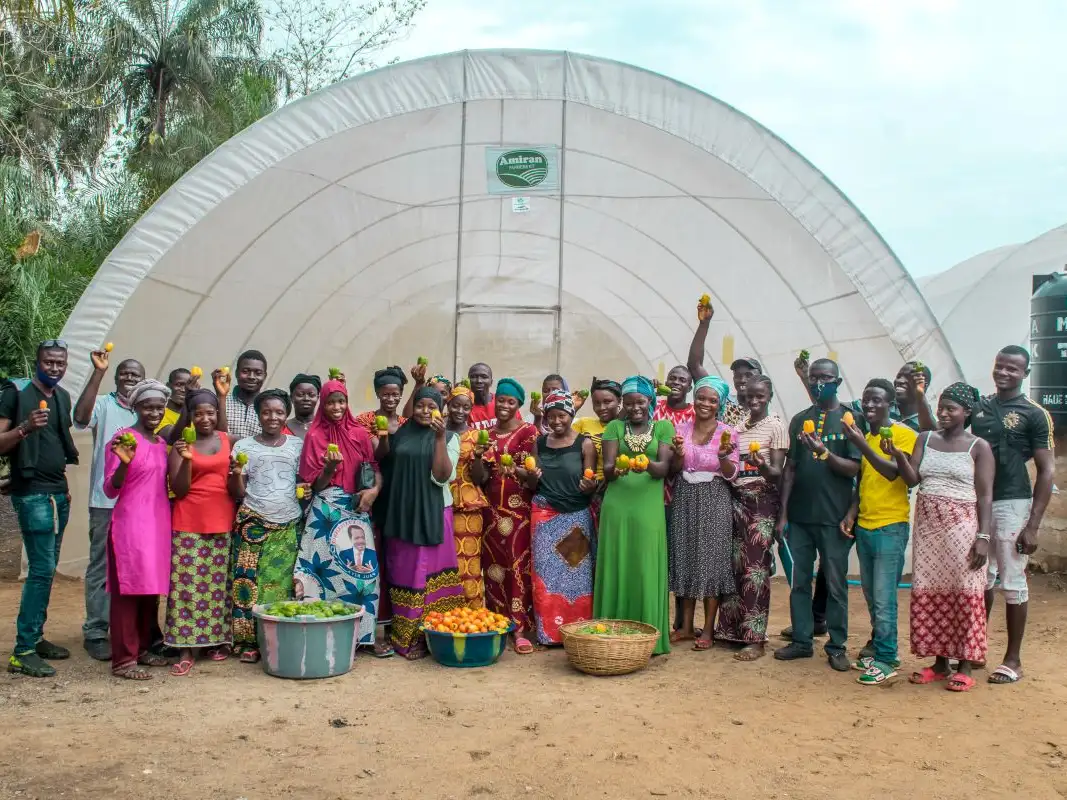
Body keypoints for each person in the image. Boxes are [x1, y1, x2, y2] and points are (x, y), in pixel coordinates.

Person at [889, 382, 993, 692]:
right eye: (941, 407)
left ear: (967, 412)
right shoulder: (926, 439)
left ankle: (964, 664)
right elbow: (912, 479)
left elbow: (985, 495)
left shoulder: (979, 447)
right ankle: (939, 663)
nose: (944, 413)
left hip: (962, 525)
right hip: (928, 526)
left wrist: (983, 536)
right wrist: (898, 456)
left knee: (964, 589)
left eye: (951, 409)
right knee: (931, 589)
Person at [971, 345, 1055, 685]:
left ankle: (1013, 660)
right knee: (981, 577)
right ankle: (976, 648)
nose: (1004, 373)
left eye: (1013, 369)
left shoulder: (1034, 413)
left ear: (1025, 374)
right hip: (979, 502)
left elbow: (1047, 471)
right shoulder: (980, 408)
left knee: (1012, 579)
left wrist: (1032, 526)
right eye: (1000, 366)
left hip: (1013, 503)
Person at [774, 358, 860, 672]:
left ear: (838, 381)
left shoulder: (851, 419)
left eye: (825, 377)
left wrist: (825, 452)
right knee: (799, 581)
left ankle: (836, 646)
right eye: (814, 377)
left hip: (835, 517)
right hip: (799, 517)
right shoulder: (799, 420)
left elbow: (856, 468)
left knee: (836, 584)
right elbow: (790, 469)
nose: (819, 382)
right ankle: (801, 640)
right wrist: (782, 514)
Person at [0, 341, 79, 678]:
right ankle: (23, 650)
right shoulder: (15, 393)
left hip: (57, 494)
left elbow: (59, 444)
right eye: (49, 361)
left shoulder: (61, 397)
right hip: (32, 494)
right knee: (42, 570)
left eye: (60, 362)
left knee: (46, 570)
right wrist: (26, 427)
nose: (55, 368)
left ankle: (36, 636)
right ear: (37, 362)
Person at [294, 379, 390, 656]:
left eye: (341, 401)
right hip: (326, 509)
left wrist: (373, 491)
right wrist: (329, 469)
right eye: (331, 402)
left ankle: (365, 636)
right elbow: (315, 485)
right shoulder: (315, 437)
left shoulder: (359, 433)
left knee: (364, 574)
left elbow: (373, 468)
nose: (336, 407)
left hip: (357, 508)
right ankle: (316, 632)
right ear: (322, 405)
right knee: (321, 572)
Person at [840, 379, 919, 685]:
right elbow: (863, 481)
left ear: (891, 404)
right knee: (873, 596)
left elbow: (891, 474)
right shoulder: (868, 436)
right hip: (866, 525)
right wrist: (851, 514)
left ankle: (887, 658)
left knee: (885, 597)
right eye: (866, 400)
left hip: (890, 526)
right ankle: (880, 649)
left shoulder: (902, 435)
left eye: (877, 400)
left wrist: (860, 443)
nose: (870, 406)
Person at [377, 387, 465, 659]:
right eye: (419, 405)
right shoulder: (401, 433)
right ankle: (404, 635)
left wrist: (438, 437)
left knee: (428, 576)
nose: (425, 411)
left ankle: (432, 635)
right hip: (402, 513)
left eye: (431, 406)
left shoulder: (450, 437)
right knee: (404, 573)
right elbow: (385, 463)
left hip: (434, 513)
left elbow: (441, 477)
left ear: (441, 409)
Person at [71, 348, 144, 662]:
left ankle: (128, 630)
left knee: (133, 567)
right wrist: (97, 371)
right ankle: (96, 631)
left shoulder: (146, 410)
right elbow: (80, 419)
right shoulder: (103, 404)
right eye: (124, 373)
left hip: (138, 505)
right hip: (105, 501)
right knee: (101, 565)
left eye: (135, 375)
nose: (129, 378)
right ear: (116, 377)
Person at [596, 375, 674, 655]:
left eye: (640, 402)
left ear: (650, 401)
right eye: (628, 403)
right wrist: (615, 470)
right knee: (618, 562)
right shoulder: (615, 427)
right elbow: (607, 467)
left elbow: (664, 468)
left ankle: (648, 634)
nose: (634, 408)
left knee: (645, 565)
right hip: (617, 504)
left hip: (648, 506)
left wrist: (646, 466)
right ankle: (613, 631)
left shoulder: (663, 427)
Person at [713, 374, 788, 661]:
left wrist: (763, 465)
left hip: (762, 500)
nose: (753, 401)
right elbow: (730, 466)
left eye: (760, 396)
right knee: (733, 565)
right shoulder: (738, 427)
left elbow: (777, 472)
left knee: (755, 569)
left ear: (769, 396)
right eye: (748, 396)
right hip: (735, 497)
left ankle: (754, 638)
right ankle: (730, 630)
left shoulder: (776, 426)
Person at [164, 387, 238, 676]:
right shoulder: (182, 445)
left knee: (218, 587)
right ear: (190, 417)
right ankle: (184, 647)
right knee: (186, 586)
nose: (205, 418)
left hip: (222, 519)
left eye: (210, 413)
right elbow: (179, 490)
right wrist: (186, 459)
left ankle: (214, 642)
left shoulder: (226, 440)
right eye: (198, 414)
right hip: (188, 521)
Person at [103, 379, 172, 680]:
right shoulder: (123, 438)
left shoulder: (160, 444)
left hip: (158, 524)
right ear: (136, 408)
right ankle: (123, 660)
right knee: (127, 592)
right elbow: (110, 489)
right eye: (147, 406)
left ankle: (143, 647)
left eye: (159, 407)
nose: (154, 412)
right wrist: (123, 464)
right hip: (130, 524)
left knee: (149, 590)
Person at [228, 389, 304, 663]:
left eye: (279, 412)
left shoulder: (297, 446)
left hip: (288, 524)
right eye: (267, 412)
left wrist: (303, 490)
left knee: (283, 584)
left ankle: (279, 638)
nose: (273, 417)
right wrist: (236, 473)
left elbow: (303, 482)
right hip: (253, 522)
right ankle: (249, 642)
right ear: (259, 415)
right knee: (249, 583)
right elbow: (237, 492)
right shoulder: (244, 447)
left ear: (286, 415)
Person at [667, 375, 738, 651]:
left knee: (711, 561)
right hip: (684, 494)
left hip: (714, 497)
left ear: (720, 403)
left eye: (712, 400)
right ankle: (685, 627)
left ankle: (707, 629)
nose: (705, 403)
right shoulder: (681, 428)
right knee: (685, 556)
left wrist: (722, 456)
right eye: (701, 397)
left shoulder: (728, 432)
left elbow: (732, 474)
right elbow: (674, 470)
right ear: (694, 399)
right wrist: (678, 455)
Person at [523, 390, 598, 644]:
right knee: (546, 577)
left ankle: (577, 632)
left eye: (562, 415)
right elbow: (532, 483)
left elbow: (593, 480)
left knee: (576, 576)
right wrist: (532, 477)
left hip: (576, 516)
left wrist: (591, 486)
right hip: (545, 516)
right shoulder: (540, 443)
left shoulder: (584, 443)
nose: (556, 421)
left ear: (571, 414)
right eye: (551, 416)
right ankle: (550, 634)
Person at [483, 377, 539, 653]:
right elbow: (480, 476)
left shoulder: (528, 432)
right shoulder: (486, 435)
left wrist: (514, 470)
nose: (504, 405)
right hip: (489, 510)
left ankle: (519, 628)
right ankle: (497, 621)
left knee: (517, 566)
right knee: (493, 567)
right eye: (501, 400)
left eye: (511, 402)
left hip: (518, 511)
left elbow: (533, 475)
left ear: (518, 405)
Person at [445, 385, 491, 608]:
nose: (460, 411)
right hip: (439, 503)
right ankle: (443, 616)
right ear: (447, 405)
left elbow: (480, 478)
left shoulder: (476, 436)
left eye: (466, 407)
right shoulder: (437, 432)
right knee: (443, 564)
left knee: (469, 563)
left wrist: (479, 456)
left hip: (468, 504)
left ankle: (471, 615)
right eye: (456, 405)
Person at [686, 298, 756, 426]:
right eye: (738, 376)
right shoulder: (723, 400)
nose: (743, 379)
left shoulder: (764, 415)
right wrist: (704, 324)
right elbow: (694, 366)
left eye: (749, 375)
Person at [225, 350, 268, 440]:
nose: (251, 377)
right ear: (236, 373)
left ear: (265, 376)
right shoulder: (222, 402)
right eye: (245, 371)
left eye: (258, 373)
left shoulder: (268, 408)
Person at [354, 366, 408, 438]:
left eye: (395, 394)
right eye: (386, 394)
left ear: (401, 394)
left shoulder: (406, 424)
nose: (391, 399)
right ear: (377, 394)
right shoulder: (365, 420)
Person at [286, 374, 321, 439]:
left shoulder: (325, 427)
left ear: (317, 398)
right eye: (300, 394)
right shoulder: (281, 427)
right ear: (291, 397)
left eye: (311, 395)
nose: (306, 398)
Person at [159, 368, 192, 433]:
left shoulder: (195, 415)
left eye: (187, 386)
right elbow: (172, 437)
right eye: (179, 385)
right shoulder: (160, 412)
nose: (183, 390)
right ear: (168, 386)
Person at [467, 362, 497, 431]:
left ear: (491, 382)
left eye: (484, 377)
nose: (479, 381)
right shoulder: (462, 407)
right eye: (473, 377)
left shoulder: (502, 403)